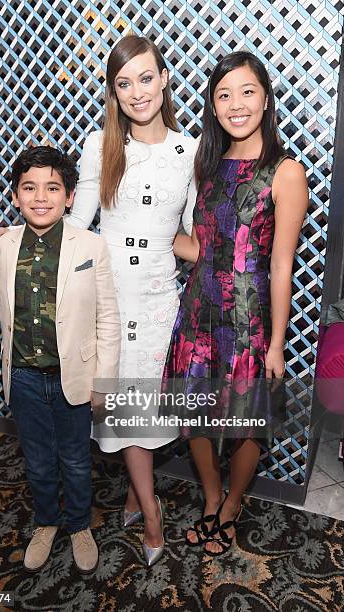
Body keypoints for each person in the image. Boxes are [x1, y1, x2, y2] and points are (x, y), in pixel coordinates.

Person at [0, 35, 198, 566]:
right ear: (114, 91)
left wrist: (172, 244)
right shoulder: (98, 143)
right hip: (106, 298)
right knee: (115, 409)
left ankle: (136, 497)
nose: (136, 92)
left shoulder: (190, 152)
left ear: (164, 79)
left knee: (141, 412)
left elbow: (195, 237)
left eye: (146, 78)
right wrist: (14, 234)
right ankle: (150, 509)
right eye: (123, 83)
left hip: (155, 303)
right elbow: (72, 223)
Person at [162, 51, 308, 556]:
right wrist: (143, 237)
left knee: (247, 424)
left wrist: (277, 344)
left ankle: (233, 504)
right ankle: (210, 497)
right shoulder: (205, 164)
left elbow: (281, 266)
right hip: (199, 311)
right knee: (197, 416)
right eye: (223, 94)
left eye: (246, 91)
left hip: (249, 320)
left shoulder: (286, 173)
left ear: (265, 98)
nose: (235, 104)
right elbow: (200, 246)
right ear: (213, 106)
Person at [0, 146, 120, 573]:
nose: (40, 197)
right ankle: (46, 521)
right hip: (24, 376)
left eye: (52, 187)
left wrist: (103, 381)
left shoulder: (91, 246)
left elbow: (107, 318)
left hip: (74, 376)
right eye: (29, 188)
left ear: (69, 196)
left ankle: (80, 525)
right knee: (39, 459)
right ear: (15, 195)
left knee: (76, 459)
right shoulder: (4, 244)